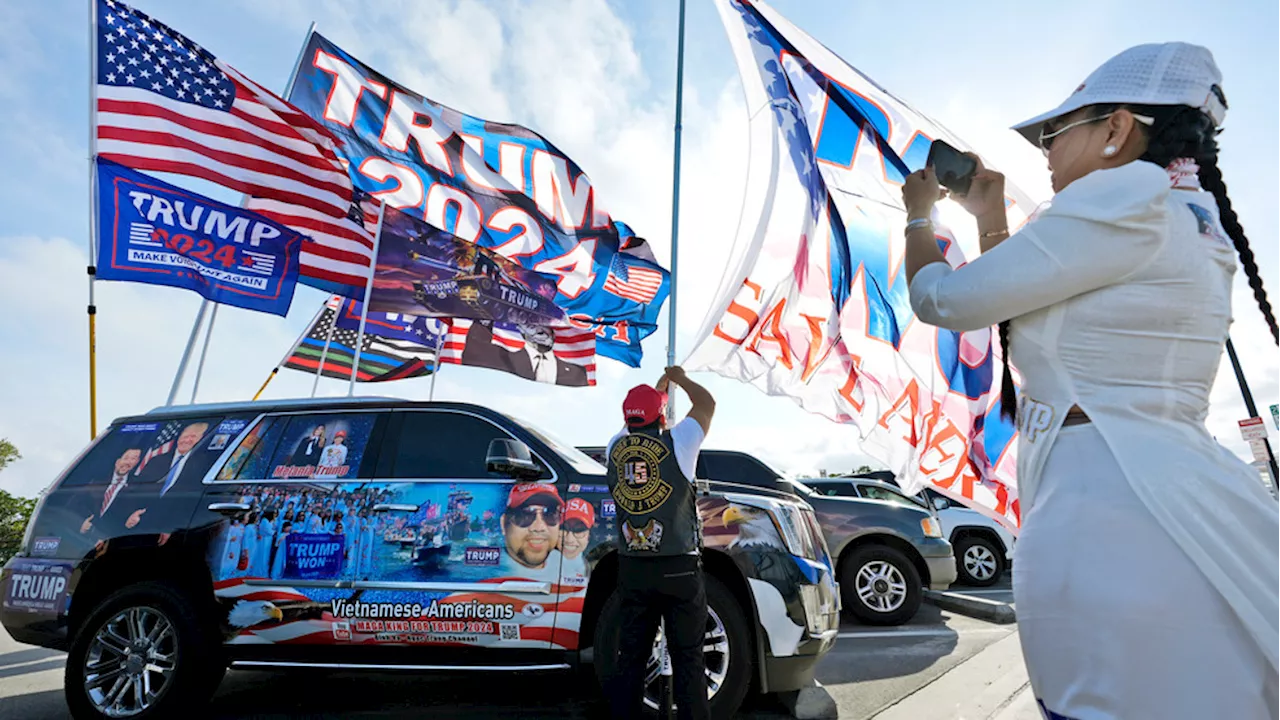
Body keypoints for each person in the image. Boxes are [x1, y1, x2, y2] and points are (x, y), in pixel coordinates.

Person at [901, 42, 1280, 719]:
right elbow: (1027, 305)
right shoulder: (1186, 209)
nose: (1044, 147)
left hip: (1106, 513)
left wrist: (919, 215)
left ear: (1116, 130)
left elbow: (947, 302)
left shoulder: (1123, 193)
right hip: (1177, 495)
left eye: (1056, 130)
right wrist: (990, 215)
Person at [605, 365, 715, 720]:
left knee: (631, 660)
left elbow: (639, 419)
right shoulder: (679, 443)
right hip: (678, 568)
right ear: (663, 418)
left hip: (633, 568)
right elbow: (706, 403)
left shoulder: (614, 447)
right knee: (689, 662)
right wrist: (679, 377)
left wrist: (661, 388)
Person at [78, 448, 145, 536]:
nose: (128, 463)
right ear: (117, 461)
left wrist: (134, 519)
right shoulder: (97, 478)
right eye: (126, 458)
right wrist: (81, 522)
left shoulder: (138, 487)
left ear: (136, 463)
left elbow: (138, 515)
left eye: (133, 459)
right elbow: (74, 503)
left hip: (106, 540)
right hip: (76, 536)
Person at [499, 482, 564, 572]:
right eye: (525, 515)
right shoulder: (487, 575)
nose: (539, 527)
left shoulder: (571, 568)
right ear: (503, 524)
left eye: (550, 514)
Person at [135, 422, 209, 496]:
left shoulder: (204, 463)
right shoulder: (156, 460)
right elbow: (139, 488)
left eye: (193, 437)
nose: (186, 440)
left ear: (201, 439)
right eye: (185, 436)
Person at [553, 498, 595, 587]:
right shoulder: (536, 565)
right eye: (564, 529)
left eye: (578, 530)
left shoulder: (599, 569)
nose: (569, 539)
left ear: (589, 536)